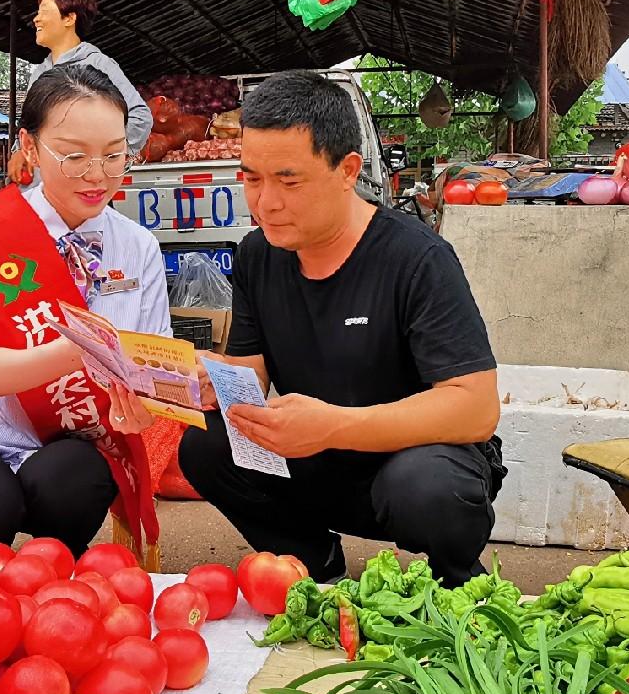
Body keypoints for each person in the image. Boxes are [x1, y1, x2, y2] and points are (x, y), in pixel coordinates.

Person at [178, 71, 504, 584]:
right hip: (313, 453)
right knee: (205, 445)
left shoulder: (417, 258)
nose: (265, 202)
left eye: (288, 180)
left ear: (347, 170)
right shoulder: (258, 255)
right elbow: (251, 376)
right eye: (251, 178)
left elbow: (476, 406)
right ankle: (310, 558)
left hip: (408, 460)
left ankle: (456, 578)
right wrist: (205, 379)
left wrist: (332, 425)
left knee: (431, 485)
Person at [0, 64, 169, 553]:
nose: (98, 176)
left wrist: (146, 410)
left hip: (68, 443)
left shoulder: (138, 247)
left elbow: (151, 366)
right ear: (30, 147)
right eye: (74, 156)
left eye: (115, 156)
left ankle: (50, 587)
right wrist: (83, 350)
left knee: (76, 480)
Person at [27, 0, 151, 156]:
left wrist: (105, 156)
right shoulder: (38, 74)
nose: (36, 19)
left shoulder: (98, 64)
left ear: (69, 18)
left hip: (85, 178)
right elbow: (29, 128)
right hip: (47, 181)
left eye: (44, 12)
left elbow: (140, 117)